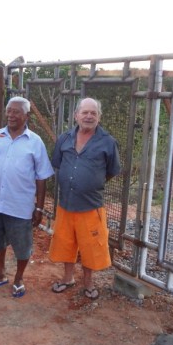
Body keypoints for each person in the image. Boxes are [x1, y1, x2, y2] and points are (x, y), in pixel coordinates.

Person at [0, 96, 54, 298]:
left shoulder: (35, 142)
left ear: (26, 116)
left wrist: (38, 207)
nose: (11, 115)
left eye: (16, 111)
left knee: (22, 246)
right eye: (9, 111)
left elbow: (42, 177)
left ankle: (19, 278)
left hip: (20, 206)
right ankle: (0, 274)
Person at [49, 97, 121, 300]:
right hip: (66, 204)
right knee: (65, 243)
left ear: (99, 117)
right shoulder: (64, 138)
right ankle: (67, 278)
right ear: (76, 115)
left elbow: (112, 171)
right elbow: (58, 163)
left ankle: (88, 284)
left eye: (93, 113)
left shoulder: (107, 142)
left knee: (90, 247)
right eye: (85, 112)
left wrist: (91, 181)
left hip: (91, 206)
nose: (89, 116)